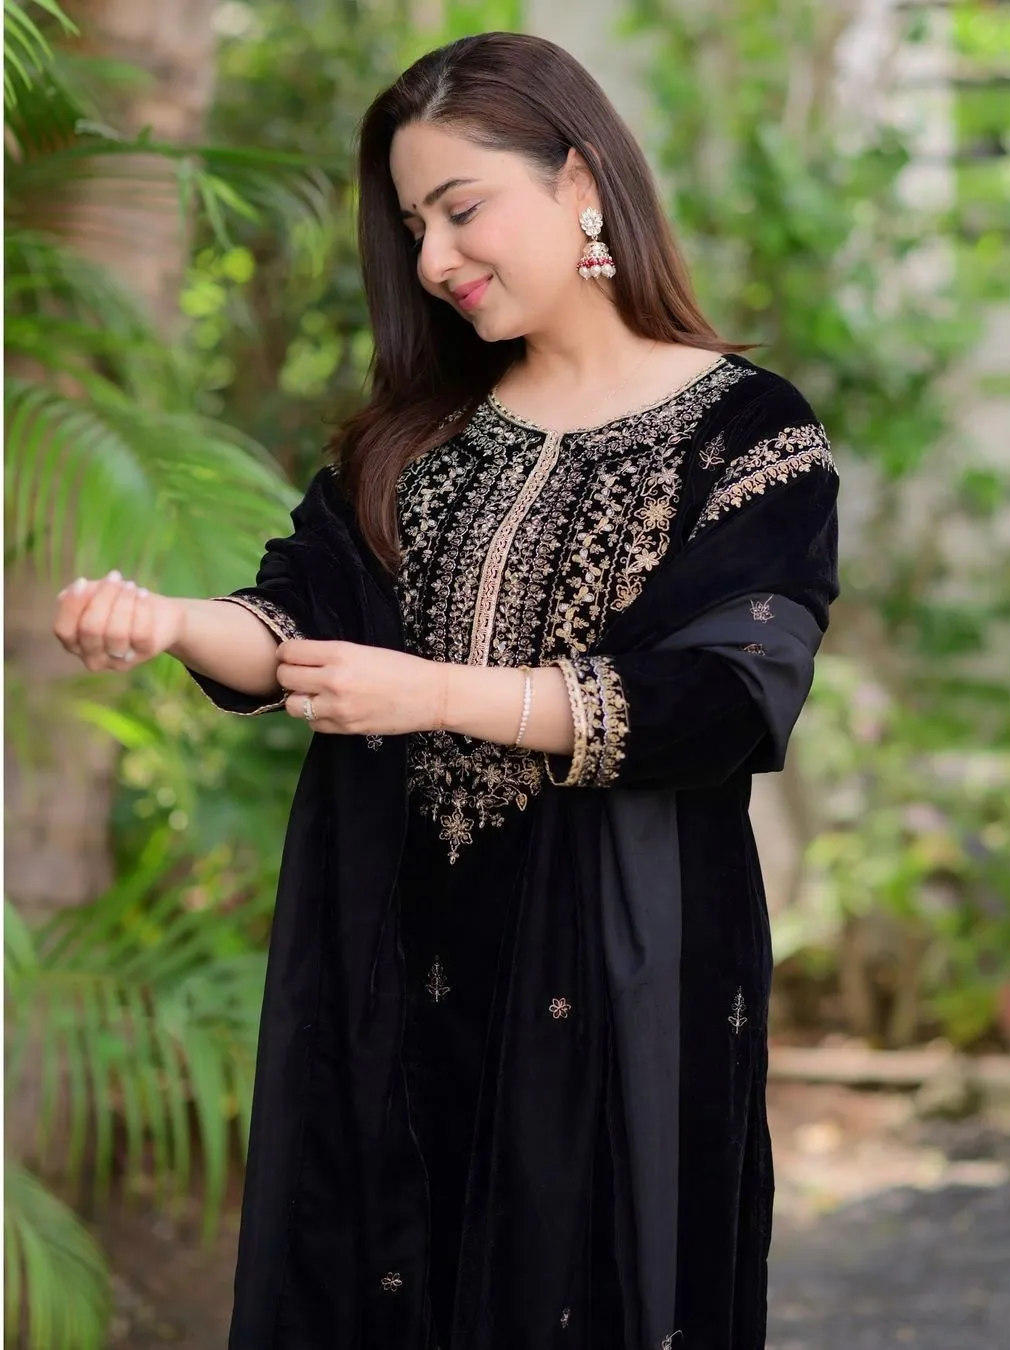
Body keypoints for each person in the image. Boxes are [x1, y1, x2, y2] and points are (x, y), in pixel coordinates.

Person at [53, 31, 838, 1350]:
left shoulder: (747, 433)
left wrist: (435, 693)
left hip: (620, 958)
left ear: (579, 180)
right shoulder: (413, 438)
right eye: (415, 225)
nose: (432, 260)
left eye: (462, 209)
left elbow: (728, 697)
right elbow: (292, 624)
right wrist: (170, 621)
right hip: (396, 951)